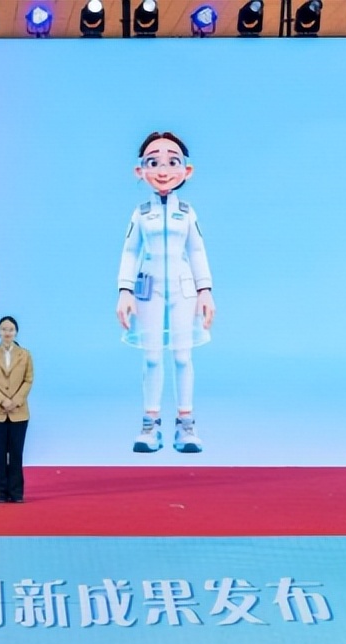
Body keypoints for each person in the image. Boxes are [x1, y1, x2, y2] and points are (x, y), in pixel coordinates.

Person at [116, 131, 215, 454]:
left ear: (187, 170)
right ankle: (150, 424)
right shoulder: (141, 213)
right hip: (149, 288)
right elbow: (130, 251)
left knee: (183, 355)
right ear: (140, 170)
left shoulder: (186, 212)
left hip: (183, 289)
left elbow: (197, 250)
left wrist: (205, 290)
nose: (163, 170)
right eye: (153, 162)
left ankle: (186, 424)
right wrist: (124, 290)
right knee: (152, 356)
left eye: (172, 162)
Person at [0, 316, 33, 503]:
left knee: (16, 453)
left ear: (16, 332)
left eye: (11, 329)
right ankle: (0, 492)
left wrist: (15, 401)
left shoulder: (25, 354)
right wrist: (2, 400)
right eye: (4, 329)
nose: (7, 333)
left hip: (19, 412)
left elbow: (28, 380)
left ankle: (16, 493)